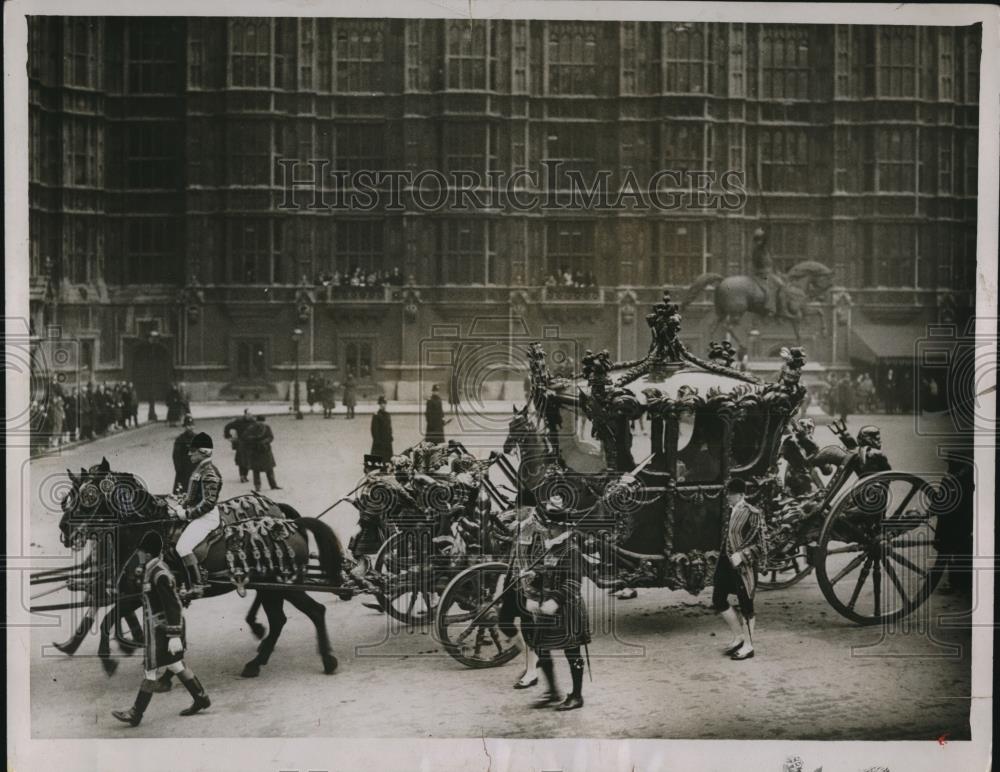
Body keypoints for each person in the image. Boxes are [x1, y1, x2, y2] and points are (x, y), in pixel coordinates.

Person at [112, 531, 210, 727]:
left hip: (164, 630)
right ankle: (201, 698)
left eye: (140, 551)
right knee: (176, 665)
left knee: (150, 669)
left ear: (147, 554)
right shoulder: (151, 568)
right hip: (157, 628)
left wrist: (174, 635)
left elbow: (173, 605)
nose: (138, 554)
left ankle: (136, 713)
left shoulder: (160, 574)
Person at [521, 494, 589, 711]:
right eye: (548, 525)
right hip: (547, 607)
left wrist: (556, 600)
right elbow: (546, 573)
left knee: (573, 653)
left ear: (562, 527)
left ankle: (577, 695)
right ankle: (552, 691)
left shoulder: (572, 550)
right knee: (540, 647)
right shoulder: (552, 548)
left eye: (552, 526)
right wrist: (534, 576)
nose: (548, 530)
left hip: (567, 609)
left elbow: (573, 582)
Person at [713, 478, 765, 661]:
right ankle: (739, 637)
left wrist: (742, 556)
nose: (728, 497)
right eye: (728, 493)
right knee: (718, 599)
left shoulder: (753, 513)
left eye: (731, 494)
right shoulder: (728, 510)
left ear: (742, 495)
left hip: (744, 567)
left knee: (746, 606)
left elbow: (761, 545)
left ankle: (749, 646)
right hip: (725, 563)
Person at [174, 432, 222, 597]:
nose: (189, 454)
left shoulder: (209, 472)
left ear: (203, 452)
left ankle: (197, 584)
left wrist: (186, 514)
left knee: (182, 547)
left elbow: (208, 503)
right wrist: (179, 504)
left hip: (206, 518)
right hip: (198, 515)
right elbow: (192, 496)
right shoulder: (201, 468)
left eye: (192, 451)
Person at [750, 227, 786, 317]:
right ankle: (771, 309)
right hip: (762, 274)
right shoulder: (758, 250)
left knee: (782, 283)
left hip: (768, 273)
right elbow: (759, 265)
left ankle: (780, 308)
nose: (760, 241)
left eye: (761, 239)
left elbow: (771, 263)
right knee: (776, 286)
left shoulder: (765, 250)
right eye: (758, 239)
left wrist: (777, 272)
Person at [244, 414, 281, 491]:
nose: (261, 423)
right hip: (256, 451)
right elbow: (246, 437)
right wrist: (255, 441)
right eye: (259, 422)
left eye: (262, 422)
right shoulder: (251, 428)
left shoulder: (266, 427)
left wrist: (264, 441)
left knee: (269, 469)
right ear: (256, 421)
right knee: (256, 470)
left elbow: (271, 437)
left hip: (265, 450)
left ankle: (273, 485)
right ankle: (258, 487)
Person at [223, 409, 255, 483]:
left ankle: (245, 475)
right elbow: (228, 426)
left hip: (250, 443)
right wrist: (228, 436)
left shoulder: (253, 422)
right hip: (241, 443)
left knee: (248, 460)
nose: (250, 416)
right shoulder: (239, 421)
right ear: (245, 414)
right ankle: (242, 476)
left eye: (251, 414)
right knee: (241, 460)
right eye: (248, 414)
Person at [171, 415, 197, 494]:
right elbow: (176, 455)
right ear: (185, 427)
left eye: (192, 425)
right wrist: (178, 469)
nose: (190, 427)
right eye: (188, 426)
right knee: (182, 492)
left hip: (195, 468)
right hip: (184, 470)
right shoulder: (180, 439)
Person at [370, 395, 394, 461]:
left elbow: (389, 427)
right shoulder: (376, 415)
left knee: (388, 459)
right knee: (378, 460)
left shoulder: (387, 414)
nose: (383, 405)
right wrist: (377, 440)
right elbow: (374, 430)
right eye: (381, 404)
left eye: (384, 403)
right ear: (379, 405)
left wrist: (390, 436)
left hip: (387, 440)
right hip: (379, 441)